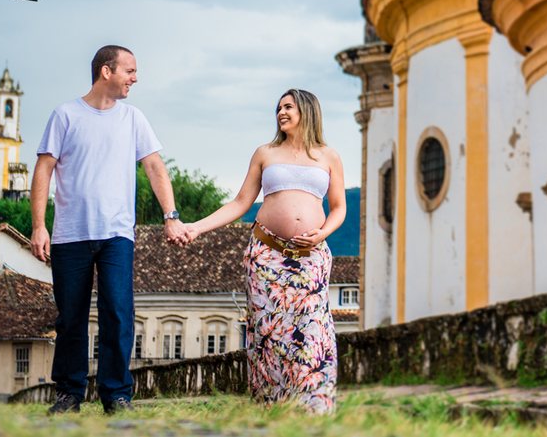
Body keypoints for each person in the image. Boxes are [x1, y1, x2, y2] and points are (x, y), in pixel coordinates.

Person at [30, 45, 188, 415]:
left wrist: (171, 215)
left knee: (118, 312)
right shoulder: (65, 115)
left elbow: (154, 167)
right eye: (129, 71)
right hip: (70, 234)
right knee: (70, 317)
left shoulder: (133, 118)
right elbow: (43, 170)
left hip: (117, 234)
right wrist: (39, 226)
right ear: (106, 71)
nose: (135, 78)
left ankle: (116, 395)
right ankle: (69, 392)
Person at [184, 88, 345, 415]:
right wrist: (196, 227)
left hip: (310, 258)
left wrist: (322, 233)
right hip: (267, 254)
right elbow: (240, 203)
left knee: (312, 329)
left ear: (307, 110)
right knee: (269, 332)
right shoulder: (265, 153)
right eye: (279, 108)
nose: (281, 113)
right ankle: (272, 406)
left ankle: (312, 407)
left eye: (288, 107)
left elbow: (339, 208)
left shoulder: (328, 156)